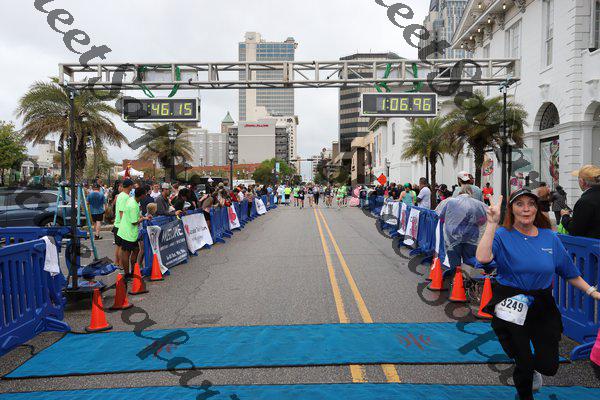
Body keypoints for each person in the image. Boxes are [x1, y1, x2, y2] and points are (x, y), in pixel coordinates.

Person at [476, 189, 600, 400]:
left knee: (549, 365)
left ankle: (533, 370)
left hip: (542, 302)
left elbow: (568, 271)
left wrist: (592, 292)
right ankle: (524, 390)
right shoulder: (503, 235)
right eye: (520, 204)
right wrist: (491, 223)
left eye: (531, 204)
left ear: (537, 208)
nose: (526, 209)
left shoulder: (549, 237)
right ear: (511, 210)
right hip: (510, 299)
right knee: (523, 359)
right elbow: (483, 258)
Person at [435, 185, 487, 278]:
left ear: (459, 192)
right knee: (469, 261)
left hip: (452, 237)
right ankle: (469, 280)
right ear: (471, 193)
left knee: (454, 261)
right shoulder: (476, 205)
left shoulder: (450, 202)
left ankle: (456, 280)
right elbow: (482, 221)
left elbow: (442, 217)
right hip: (471, 237)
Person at [117, 186, 152, 278]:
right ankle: (127, 274)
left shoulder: (132, 200)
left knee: (136, 250)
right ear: (141, 195)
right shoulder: (133, 206)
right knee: (126, 253)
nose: (145, 196)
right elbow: (134, 222)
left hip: (128, 231)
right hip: (128, 232)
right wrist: (143, 219)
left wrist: (144, 217)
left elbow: (136, 215)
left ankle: (133, 270)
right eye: (145, 194)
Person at [560, 165, 600, 239]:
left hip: (591, 244)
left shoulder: (585, 201)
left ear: (582, 182)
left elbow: (575, 230)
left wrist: (565, 216)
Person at [113, 179, 133, 267]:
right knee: (121, 247)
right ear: (130, 186)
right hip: (121, 225)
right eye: (132, 186)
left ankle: (117, 263)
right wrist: (125, 225)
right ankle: (120, 264)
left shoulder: (121, 195)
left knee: (119, 246)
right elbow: (122, 212)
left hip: (118, 224)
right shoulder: (124, 197)